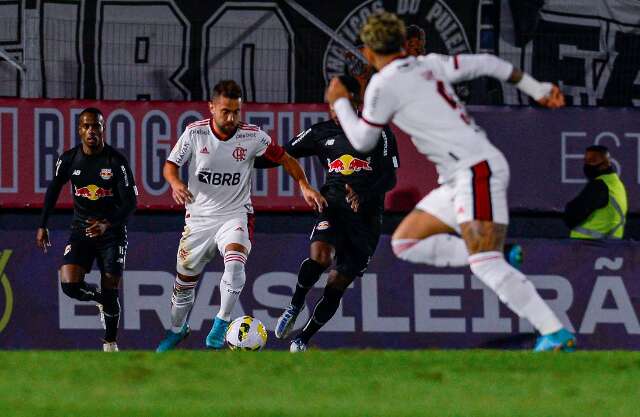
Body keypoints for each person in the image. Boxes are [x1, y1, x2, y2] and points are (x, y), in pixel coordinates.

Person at [326, 11, 575, 352]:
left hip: (475, 171)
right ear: (401, 42)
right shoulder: (431, 63)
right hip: (461, 177)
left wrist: (339, 101)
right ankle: (499, 251)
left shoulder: (383, 85)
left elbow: (363, 142)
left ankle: (555, 332)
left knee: (484, 264)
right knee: (406, 243)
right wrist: (539, 89)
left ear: (369, 53)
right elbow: (490, 63)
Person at [156, 80, 326, 352]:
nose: (232, 117)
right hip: (198, 220)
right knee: (184, 284)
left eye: (236, 111)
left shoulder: (253, 136)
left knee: (235, 263)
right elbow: (170, 165)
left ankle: (221, 323)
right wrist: (176, 184)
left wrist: (304, 185)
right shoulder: (195, 133)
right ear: (211, 108)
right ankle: (177, 330)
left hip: (235, 215)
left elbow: (285, 158)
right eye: (225, 111)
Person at [255, 75, 399, 352]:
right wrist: (243, 156)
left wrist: (364, 194)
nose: (335, 107)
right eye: (332, 102)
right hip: (332, 206)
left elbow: (390, 178)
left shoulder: (379, 133)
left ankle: (303, 340)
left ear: (356, 102)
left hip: (366, 220)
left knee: (337, 283)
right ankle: (296, 303)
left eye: (342, 100)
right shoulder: (320, 133)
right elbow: (282, 155)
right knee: (320, 256)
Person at [36, 107, 137, 352]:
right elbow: (53, 190)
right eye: (86, 126)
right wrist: (43, 224)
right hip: (81, 230)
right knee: (70, 284)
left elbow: (130, 202)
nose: (92, 131)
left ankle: (110, 342)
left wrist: (107, 223)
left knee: (111, 284)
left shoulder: (116, 161)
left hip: (111, 233)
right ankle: (100, 300)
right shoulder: (69, 159)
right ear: (79, 130)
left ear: (103, 129)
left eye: (96, 126)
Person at [564, 145, 627, 239]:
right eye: (585, 161)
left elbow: (572, 216)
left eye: (592, 160)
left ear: (606, 163)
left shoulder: (599, 185)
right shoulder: (617, 185)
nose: (587, 165)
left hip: (589, 247)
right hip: (611, 248)